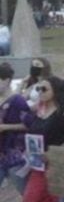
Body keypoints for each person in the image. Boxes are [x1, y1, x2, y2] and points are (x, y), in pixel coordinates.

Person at [10, 76, 64, 202]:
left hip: (59, 164)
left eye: (45, 89)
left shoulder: (63, 113)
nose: (40, 92)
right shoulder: (39, 109)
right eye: (39, 89)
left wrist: (54, 154)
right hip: (38, 163)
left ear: (55, 92)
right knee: (31, 198)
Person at [0, 63, 30, 195]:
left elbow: (28, 124)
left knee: (23, 190)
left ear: (6, 80)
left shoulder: (18, 100)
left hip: (14, 152)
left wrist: (5, 127)